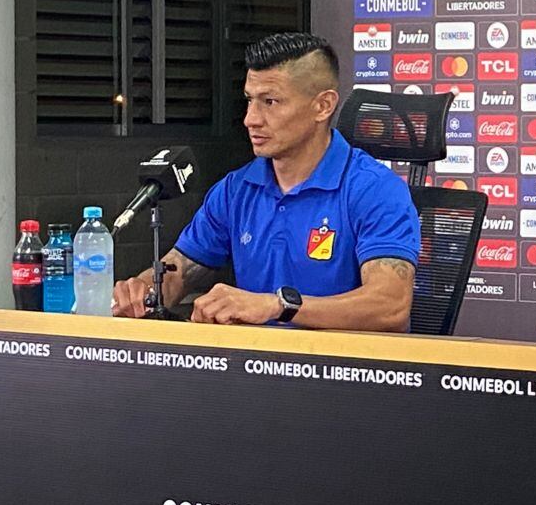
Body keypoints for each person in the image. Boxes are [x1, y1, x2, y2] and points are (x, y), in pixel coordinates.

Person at [112, 32, 420, 330]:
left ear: (323, 106)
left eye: (270, 102)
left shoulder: (374, 189)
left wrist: (278, 306)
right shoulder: (236, 189)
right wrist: (143, 290)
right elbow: (180, 268)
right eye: (249, 100)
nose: (251, 119)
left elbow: (390, 305)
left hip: (341, 374)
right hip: (253, 372)